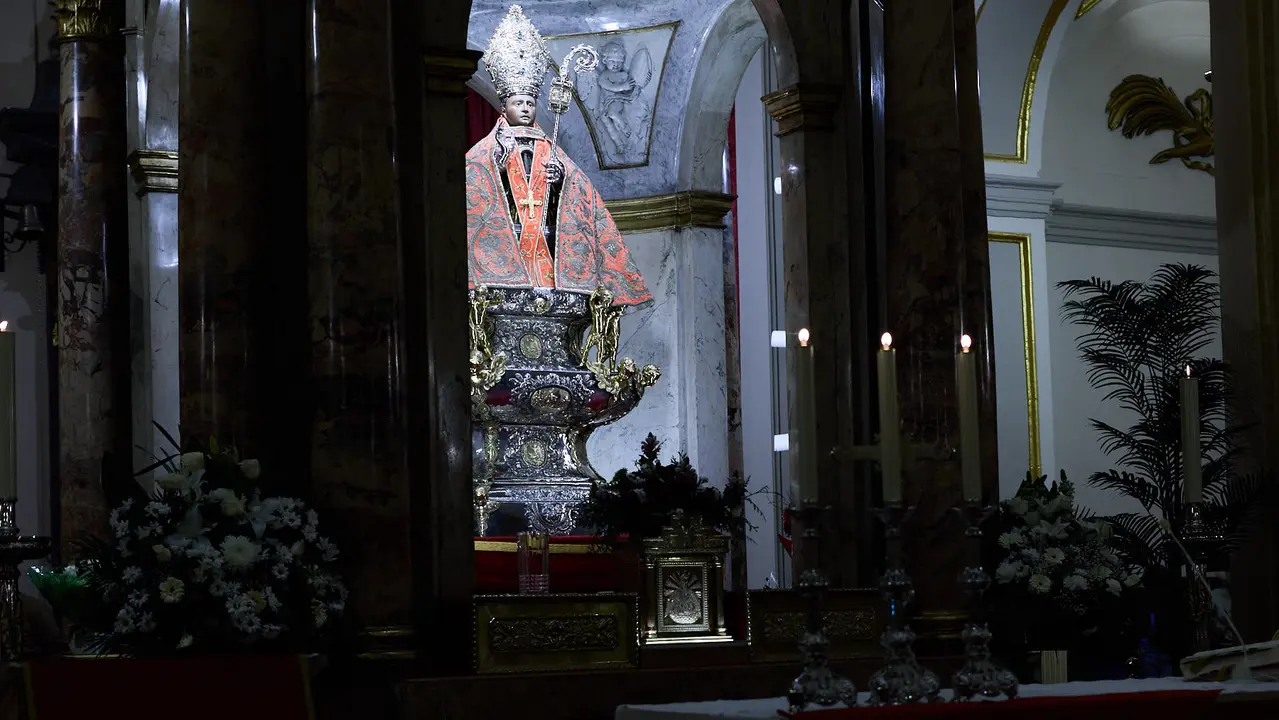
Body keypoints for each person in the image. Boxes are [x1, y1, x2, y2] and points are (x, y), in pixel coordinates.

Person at [466, 5, 651, 307]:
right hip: (508, 243)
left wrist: (560, 180)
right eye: (518, 102)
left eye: (529, 102)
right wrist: (497, 169)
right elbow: (473, 190)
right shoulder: (486, 151)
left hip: (546, 244)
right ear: (503, 108)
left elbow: (581, 196)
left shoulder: (551, 150)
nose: (525, 108)